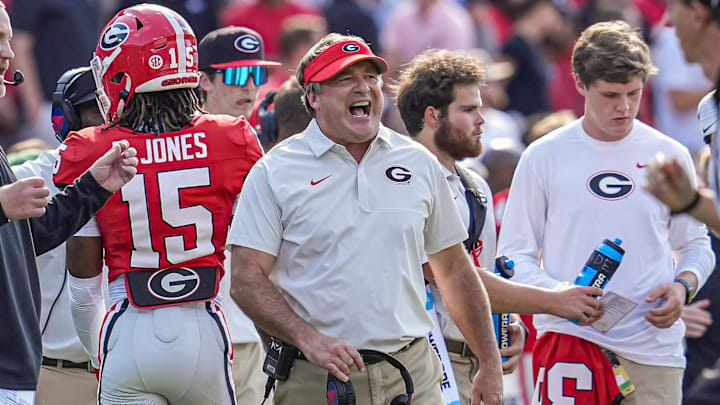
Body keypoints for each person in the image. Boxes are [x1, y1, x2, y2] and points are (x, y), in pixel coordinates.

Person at [227, 33, 503, 405]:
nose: (364, 88)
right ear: (313, 96)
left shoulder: (418, 161)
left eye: (371, 77)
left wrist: (488, 360)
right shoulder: (274, 171)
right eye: (345, 79)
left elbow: (454, 270)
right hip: (317, 377)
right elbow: (245, 279)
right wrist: (308, 338)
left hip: (413, 373)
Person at [52, 4, 262, 404]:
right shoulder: (233, 137)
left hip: (129, 328)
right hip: (207, 326)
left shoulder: (90, 147)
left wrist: (103, 354)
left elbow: (83, 292)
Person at [498, 20, 714, 405]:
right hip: (571, 343)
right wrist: (561, 295)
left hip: (654, 352)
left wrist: (682, 287)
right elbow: (512, 257)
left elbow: (698, 245)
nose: (625, 106)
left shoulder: (669, 154)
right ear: (580, 84)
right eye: (611, 94)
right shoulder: (543, 155)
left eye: (634, 92)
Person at [394, 48, 610, 405]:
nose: (482, 119)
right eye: (468, 110)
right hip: (426, 367)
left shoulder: (474, 185)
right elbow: (455, 278)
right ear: (432, 116)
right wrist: (555, 301)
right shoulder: (403, 182)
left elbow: (485, 273)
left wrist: (507, 326)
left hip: (473, 362)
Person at [0, 2, 138, 402]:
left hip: (18, 372)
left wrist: (93, 186)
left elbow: (27, 241)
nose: (8, 53)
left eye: (9, 39)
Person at [11, 66, 104, 405]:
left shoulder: (143, 171)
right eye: (97, 110)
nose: (107, 122)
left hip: (133, 370)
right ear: (66, 118)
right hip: (59, 372)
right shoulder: (29, 178)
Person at [197, 25, 278, 404]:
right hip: (199, 330)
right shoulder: (184, 145)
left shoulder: (264, 145)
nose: (248, 86)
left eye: (256, 74)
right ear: (203, 81)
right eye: (233, 74)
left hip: (253, 332)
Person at [198, 26, 281, 123]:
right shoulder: (182, 134)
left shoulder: (268, 130)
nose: (251, 86)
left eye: (258, 74)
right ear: (205, 81)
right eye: (237, 76)